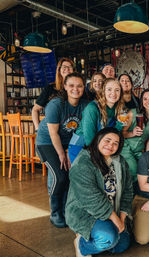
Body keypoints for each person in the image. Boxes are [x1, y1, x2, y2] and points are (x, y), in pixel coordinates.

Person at [66, 127, 133, 257]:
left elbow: (128, 191)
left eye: (115, 143)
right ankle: (82, 245)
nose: (110, 145)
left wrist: (122, 218)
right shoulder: (83, 162)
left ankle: (100, 237)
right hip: (86, 212)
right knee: (107, 239)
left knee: (122, 244)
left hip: (113, 210)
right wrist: (115, 219)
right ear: (98, 140)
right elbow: (91, 199)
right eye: (107, 140)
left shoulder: (120, 162)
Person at [36, 72, 88, 228]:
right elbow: (53, 133)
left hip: (68, 143)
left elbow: (82, 132)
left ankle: (66, 209)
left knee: (70, 175)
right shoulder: (56, 104)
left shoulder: (85, 105)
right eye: (71, 85)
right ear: (65, 86)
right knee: (59, 175)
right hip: (46, 143)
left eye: (79, 86)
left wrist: (68, 151)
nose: (75, 89)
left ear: (83, 87)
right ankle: (55, 212)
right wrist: (61, 155)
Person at [68, 78, 125, 163]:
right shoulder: (92, 108)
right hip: (80, 147)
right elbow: (89, 139)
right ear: (103, 91)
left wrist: (120, 124)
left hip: (99, 148)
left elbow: (113, 134)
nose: (113, 93)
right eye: (109, 89)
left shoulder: (117, 109)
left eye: (117, 90)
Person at [121, 88, 149, 192]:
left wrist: (147, 156)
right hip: (126, 147)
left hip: (139, 150)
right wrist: (132, 133)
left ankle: (139, 193)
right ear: (141, 101)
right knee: (134, 170)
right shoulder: (132, 113)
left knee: (145, 168)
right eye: (145, 99)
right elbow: (121, 134)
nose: (148, 102)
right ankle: (131, 195)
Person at [32, 57, 74, 130]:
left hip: (71, 129)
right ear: (59, 70)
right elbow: (35, 110)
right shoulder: (50, 88)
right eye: (64, 67)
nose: (67, 69)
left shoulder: (76, 90)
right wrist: (37, 129)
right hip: (53, 130)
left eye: (70, 67)